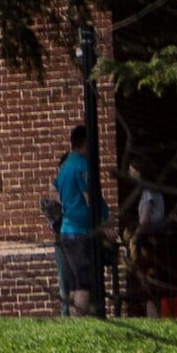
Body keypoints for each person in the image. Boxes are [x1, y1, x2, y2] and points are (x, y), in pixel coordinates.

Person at [50, 134, 105, 316]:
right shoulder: (82, 165)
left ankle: (75, 322)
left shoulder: (64, 167)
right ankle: (81, 322)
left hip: (66, 231)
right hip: (80, 231)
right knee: (84, 280)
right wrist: (104, 221)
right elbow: (90, 197)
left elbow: (54, 189)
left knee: (74, 281)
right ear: (83, 144)